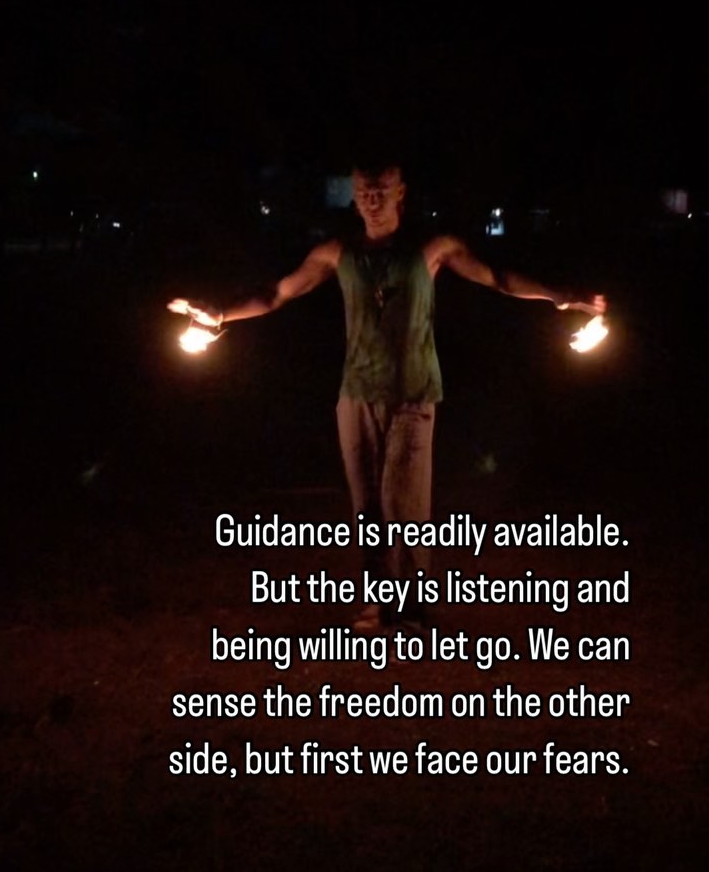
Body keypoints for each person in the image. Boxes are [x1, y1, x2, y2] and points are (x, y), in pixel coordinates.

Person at [169, 165, 605, 631]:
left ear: (400, 193)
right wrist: (220, 315)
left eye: (380, 191)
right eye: (363, 192)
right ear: (355, 198)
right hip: (356, 392)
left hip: (414, 391)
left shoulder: (432, 249)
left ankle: (412, 608)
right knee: (367, 506)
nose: (372, 201)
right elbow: (277, 293)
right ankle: (378, 602)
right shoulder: (338, 253)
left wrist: (558, 295)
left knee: (403, 501)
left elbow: (497, 276)